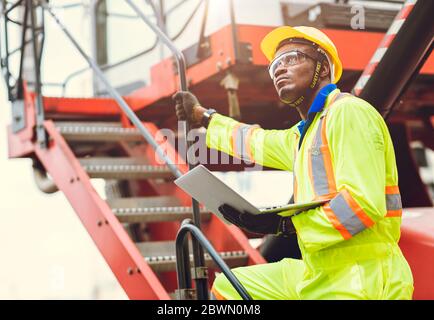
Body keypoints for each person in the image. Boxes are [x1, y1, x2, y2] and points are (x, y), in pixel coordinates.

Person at [173, 26, 413, 300]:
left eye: (292, 59)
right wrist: (203, 116)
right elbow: (255, 141)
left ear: (323, 69)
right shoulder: (305, 134)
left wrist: (284, 225)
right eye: (275, 64)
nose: (279, 69)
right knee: (229, 286)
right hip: (320, 272)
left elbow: (361, 206)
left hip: (362, 276)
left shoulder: (348, 113)